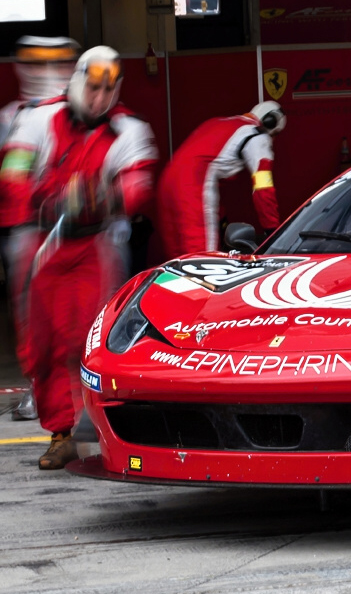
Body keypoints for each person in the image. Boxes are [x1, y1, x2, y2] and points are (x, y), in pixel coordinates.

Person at [0, 46, 158, 470]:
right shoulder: (35, 120)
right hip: (41, 245)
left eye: (108, 90)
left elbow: (139, 186)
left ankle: (100, 430)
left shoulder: (130, 130)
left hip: (94, 246)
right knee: (44, 345)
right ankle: (62, 433)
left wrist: (100, 198)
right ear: (78, 81)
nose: (98, 98)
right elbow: (13, 176)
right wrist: (48, 203)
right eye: (92, 87)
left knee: (92, 341)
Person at [0, 36, 80, 422]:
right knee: (35, 321)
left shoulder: (89, 112)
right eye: (36, 62)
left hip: (79, 234)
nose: (45, 71)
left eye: (55, 62)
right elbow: (11, 179)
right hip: (31, 233)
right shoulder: (12, 116)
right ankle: (39, 392)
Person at [156, 101, 286, 259]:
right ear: (270, 122)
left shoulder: (218, 122)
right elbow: (263, 188)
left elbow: (210, 166)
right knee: (202, 257)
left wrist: (221, 217)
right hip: (194, 183)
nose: (272, 140)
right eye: (275, 134)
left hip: (167, 181)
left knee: (177, 258)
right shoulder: (257, 135)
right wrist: (272, 230)